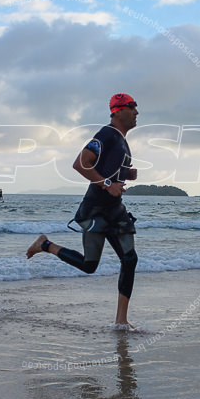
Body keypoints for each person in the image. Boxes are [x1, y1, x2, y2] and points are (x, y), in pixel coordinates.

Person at [27, 93, 140, 328]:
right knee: (90, 265)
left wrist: (124, 174)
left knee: (129, 259)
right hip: (96, 210)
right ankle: (45, 244)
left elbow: (104, 168)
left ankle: (121, 320)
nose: (137, 112)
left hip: (115, 210)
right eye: (132, 107)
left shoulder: (122, 141)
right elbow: (80, 163)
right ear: (118, 111)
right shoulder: (106, 135)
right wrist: (108, 184)